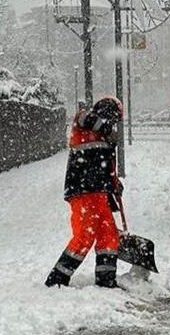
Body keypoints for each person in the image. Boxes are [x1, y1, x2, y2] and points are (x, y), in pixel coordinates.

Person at [45, 96, 123, 289]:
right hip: (83, 191)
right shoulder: (84, 123)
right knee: (84, 237)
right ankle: (57, 280)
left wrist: (114, 184)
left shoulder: (105, 138)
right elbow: (83, 117)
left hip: (100, 193)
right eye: (114, 119)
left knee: (109, 235)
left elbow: (106, 167)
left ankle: (106, 280)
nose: (114, 124)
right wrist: (105, 127)